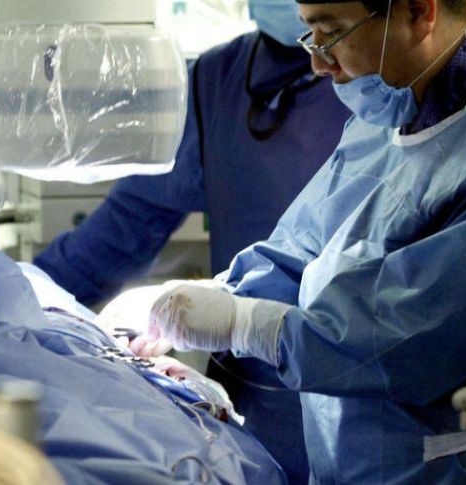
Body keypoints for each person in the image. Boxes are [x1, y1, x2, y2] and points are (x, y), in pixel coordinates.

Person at [120, 0, 466, 482]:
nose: (317, 63)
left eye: (330, 34)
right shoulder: (390, 106)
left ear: (420, 13)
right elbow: (306, 244)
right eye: (309, 35)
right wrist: (221, 293)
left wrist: (243, 324)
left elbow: (406, 340)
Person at [33, 1, 352, 482]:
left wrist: (240, 313)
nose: (323, 58)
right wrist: (21, 291)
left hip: (356, 396)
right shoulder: (219, 78)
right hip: (253, 409)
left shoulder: (382, 83)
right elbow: (127, 224)